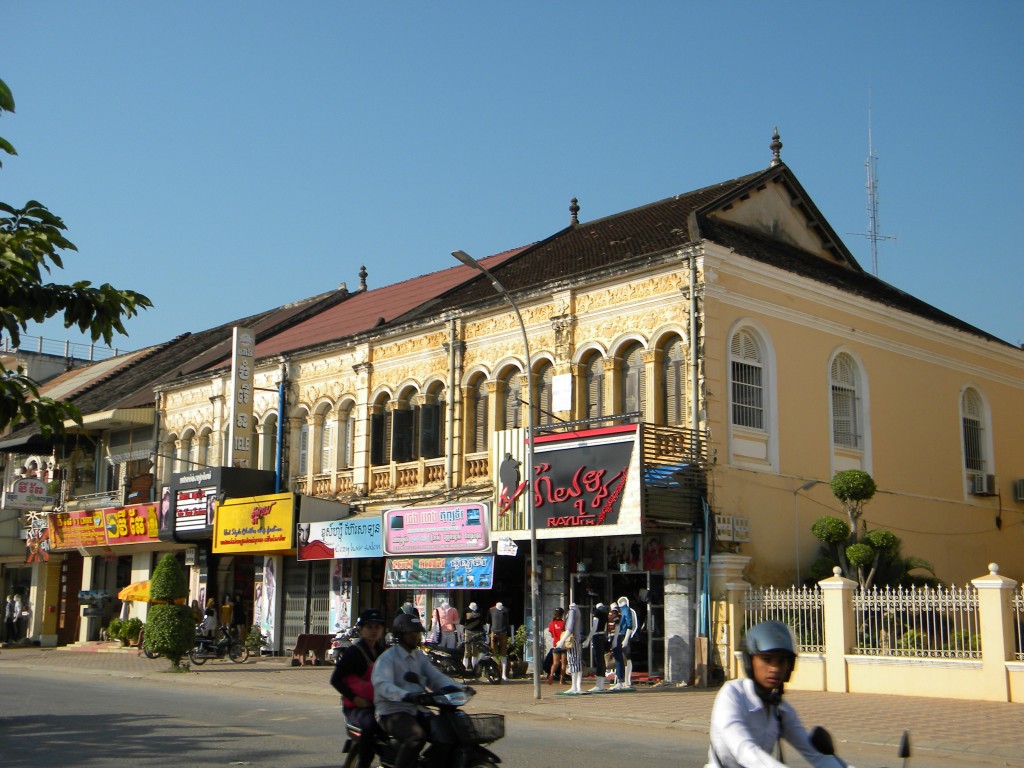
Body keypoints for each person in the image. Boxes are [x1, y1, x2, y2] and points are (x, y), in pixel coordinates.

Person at [706, 620, 846, 768]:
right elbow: (744, 750)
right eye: (767, 659)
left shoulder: (780, 709)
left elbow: (815, 755)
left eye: (781, 661)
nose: (774, 668)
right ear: (750, 661)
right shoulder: (732, 695)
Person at [372, 612, 463, 768]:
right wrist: (405, 695)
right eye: (412, 633)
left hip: (416, 709)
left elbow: (436, 678)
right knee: (416, 736)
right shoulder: (388, 658)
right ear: (400, 635)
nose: (416, 636)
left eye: (418, 633)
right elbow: (382, 684)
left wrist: (461, 688)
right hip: (391, 711)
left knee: (447, 734)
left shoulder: (419, 657)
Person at [330, 608, 386, 768]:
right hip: (357, 707)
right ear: (361, 630)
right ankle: (364, 763)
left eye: (377, 627)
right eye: (370, 627)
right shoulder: (353, 652)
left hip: (380, 704)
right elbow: (335, 680)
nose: (374, 631)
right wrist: (355, 699)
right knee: (370, 724)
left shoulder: (382, 652)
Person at [582, 602, 610, 692]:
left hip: (597, 636)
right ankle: (600, 684)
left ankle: (599, 685)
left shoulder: (597, 612)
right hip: (602, 636)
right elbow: (605, 627)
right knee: (601, 660)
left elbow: (594, 627)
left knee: (598, 660)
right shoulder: (605, 612)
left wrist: (588, 639)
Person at [611, 595, 637, 690]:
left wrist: (626, 639)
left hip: (623, 635)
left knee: (626, 658)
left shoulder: (625, 610)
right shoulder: (623, 610)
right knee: (623, 658)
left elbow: (629, 625)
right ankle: (624, 680)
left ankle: (627, 680)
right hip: (621, 635)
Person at [561, 602, 584, 694]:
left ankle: (575, 686)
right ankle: (577, 686)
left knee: (573, 661)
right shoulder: (577, 611)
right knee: (576, 661)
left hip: (572, 639)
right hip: (576, 638)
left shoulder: (572, 611)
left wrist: (561, 641)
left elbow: (569, 628)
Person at [487, 600, 511, 680]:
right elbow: (488, 622)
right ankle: (493, 673)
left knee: (503, 654)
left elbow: (510, 623)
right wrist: (487, 634)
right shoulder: (491, 610)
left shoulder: (506, 610)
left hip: (503, 633)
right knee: (493, 653)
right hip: (493, 633)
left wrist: (511, 636)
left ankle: (504, 674)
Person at [462, 601, 485, 671]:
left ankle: (474, 670)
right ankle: (464, 669)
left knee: (475, 652)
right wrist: (461, 634)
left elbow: (483, 623)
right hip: (468, 632)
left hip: (477, 633)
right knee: (467, 652)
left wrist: (485, 633)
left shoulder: (480, 610)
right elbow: (461, 622)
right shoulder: (465, 610)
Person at [547, 607, 566, 684]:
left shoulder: (551, 623)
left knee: (555, 663)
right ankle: (562, 680)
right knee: (563, 663)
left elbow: (551, 634)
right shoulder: (563, 623)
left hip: (555, 644)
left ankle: (551, 675)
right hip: (563, 645)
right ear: (562, 615)